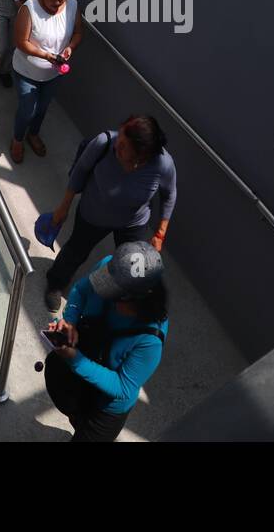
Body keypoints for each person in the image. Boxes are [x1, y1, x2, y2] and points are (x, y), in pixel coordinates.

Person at [43, 115, 176, 308]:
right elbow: (80, 171)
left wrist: (160, 234)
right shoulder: (104, 142)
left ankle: (116, 299)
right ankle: (55, 282)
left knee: (131, 265)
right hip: (93, 213)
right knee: (76, 251)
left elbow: (169, 194)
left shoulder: (163, 164)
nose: (117, 147)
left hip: (133, 221)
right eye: (119, 138)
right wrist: (64, 207)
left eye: (124, 148)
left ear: (140, 159)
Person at [43, 243, 169, 442]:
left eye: (114, 295)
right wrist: (70, 321)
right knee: (67, 399)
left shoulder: (151, 340)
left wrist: (76, 359)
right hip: (83, 366)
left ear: (140, 300)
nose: (104, 295)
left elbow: (123, 387)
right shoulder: (111, 267)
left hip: (105, 407)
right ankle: (77, 418)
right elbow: (81, 291)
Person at [10, 0, 83, 163]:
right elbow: (21, 42)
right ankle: (17, 139)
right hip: (26, 70)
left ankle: (33, 134)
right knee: (28, 110)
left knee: (42, 108)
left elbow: (77, 33)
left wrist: (70, 48)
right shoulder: (29, 9)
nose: (59, 3)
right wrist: (46, 55)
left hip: (53, 74)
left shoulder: (72, 6)